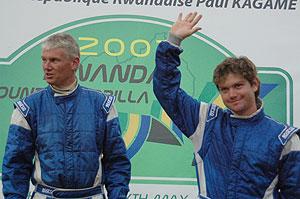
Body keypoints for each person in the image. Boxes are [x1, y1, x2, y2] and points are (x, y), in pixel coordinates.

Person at [153, 12, 300, 198]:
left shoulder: (284, 138)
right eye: (224, 89)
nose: (232, 94)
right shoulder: (206, 121)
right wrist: (172, 42)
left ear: (254, 84)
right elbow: (166, 91)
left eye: (238, 86)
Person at [2, 33, 131, 199]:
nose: (46, 66)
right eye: (44, 59)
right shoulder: (27, 108)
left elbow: (116, 161)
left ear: (74, 63)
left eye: (54, 60)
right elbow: (16, 165)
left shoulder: (102, 105)